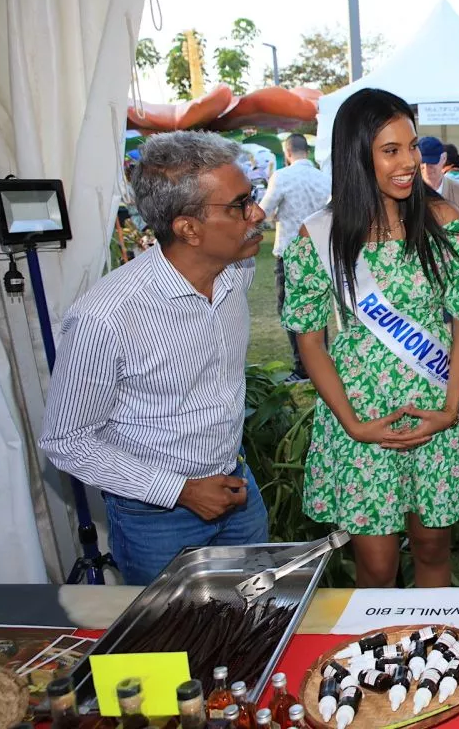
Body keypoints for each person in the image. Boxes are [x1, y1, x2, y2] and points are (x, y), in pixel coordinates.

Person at [282, 89, 459, 588]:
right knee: (376, 568)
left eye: (412, 146)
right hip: (360, 412)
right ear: (357, 155)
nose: (409, 162)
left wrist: (450, 408)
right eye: (391, 150)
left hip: (432, 406)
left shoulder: (446, 225)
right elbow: (310, 340)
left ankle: (436, 639)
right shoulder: (320, 236)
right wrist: (353, 424)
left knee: (433, 552)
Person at [39, 131, 269, 585]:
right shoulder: (106, 317)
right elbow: (66, 439)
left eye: (253, 197)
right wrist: (180, 491)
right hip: (156, 518)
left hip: (237, 489)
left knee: (255, 614)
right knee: (172, 629)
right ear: (188, 229)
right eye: (239, 205)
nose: (257, 213)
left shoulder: (236, 273)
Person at [259, 133, 332, 381]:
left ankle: (303, 367)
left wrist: (276, 215)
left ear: (287, 153)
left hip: (291, 251)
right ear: (307, 151)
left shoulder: (282, 177)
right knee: (317, 309)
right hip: (320, 251)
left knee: (290, 310)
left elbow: (264, 211)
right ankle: (321, 361)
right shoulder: (324, 178)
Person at [419, 136, 459, 221]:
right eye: (422, 162)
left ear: (444, 158)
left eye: (432, 163)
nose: (426, 168)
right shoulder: (410, 193)